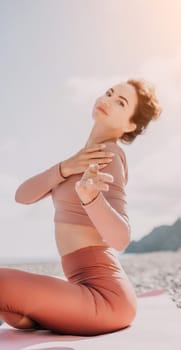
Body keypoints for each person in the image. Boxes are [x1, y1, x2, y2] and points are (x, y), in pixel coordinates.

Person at [0, 78, 162, 335]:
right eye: (109, 92)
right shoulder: (81, 158)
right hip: (83, 287)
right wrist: (64, 168)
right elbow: (22, 196)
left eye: (121, 102)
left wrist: (91, 198)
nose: (108, 100)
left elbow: (120, 239)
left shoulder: (108, 156)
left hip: (106, 297)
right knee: (11, 311)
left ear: (130, 124)